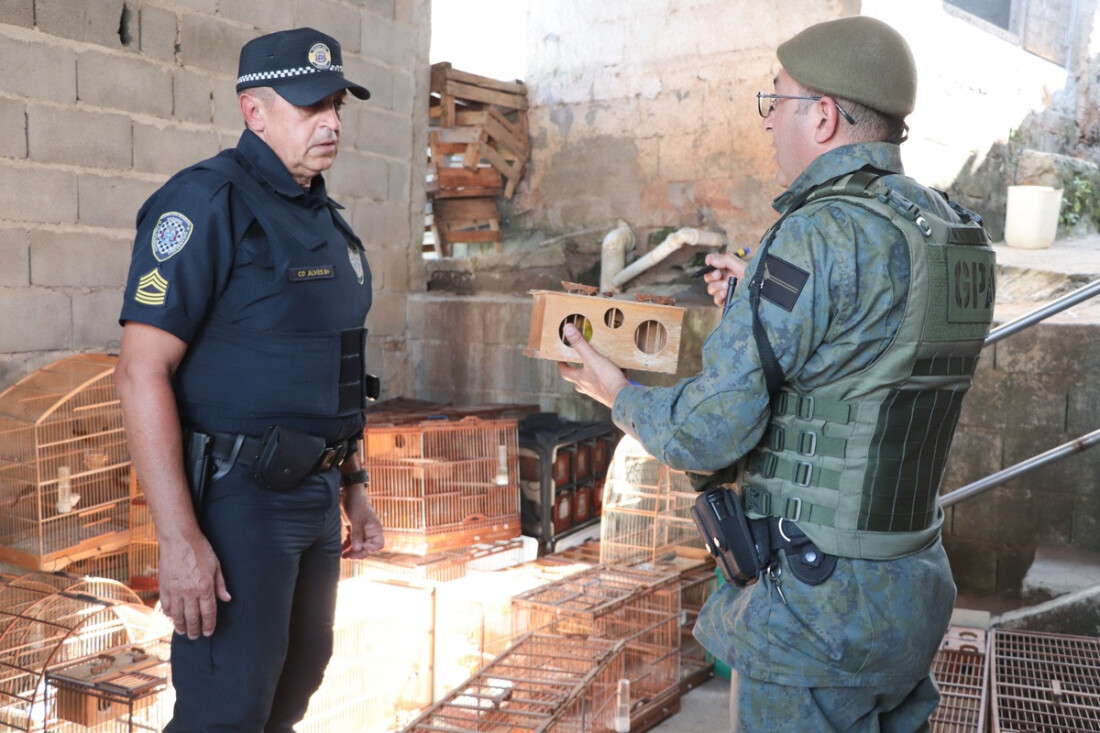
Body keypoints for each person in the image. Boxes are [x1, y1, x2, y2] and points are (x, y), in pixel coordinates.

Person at [559, 16, 995, 732]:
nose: (766, 121)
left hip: (816, 611)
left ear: (822, 117)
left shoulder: (815, 233)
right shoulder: (949, 231)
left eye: (776, 100)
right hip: (910, 589)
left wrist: (617, 391)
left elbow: (707, 433)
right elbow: (869, 356)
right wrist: (757, 298)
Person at [114, 27, 384, 732]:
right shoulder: (206, 202)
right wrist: (178, 540)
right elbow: (140, 372)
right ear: (254, 111)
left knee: (294, 687)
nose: (330, 122)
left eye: (335, 104)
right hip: (241, 501)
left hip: (316, 498)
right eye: (309, 105)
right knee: (226, 711)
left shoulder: (325, 219)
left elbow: (339, 370)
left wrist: (355, 488)